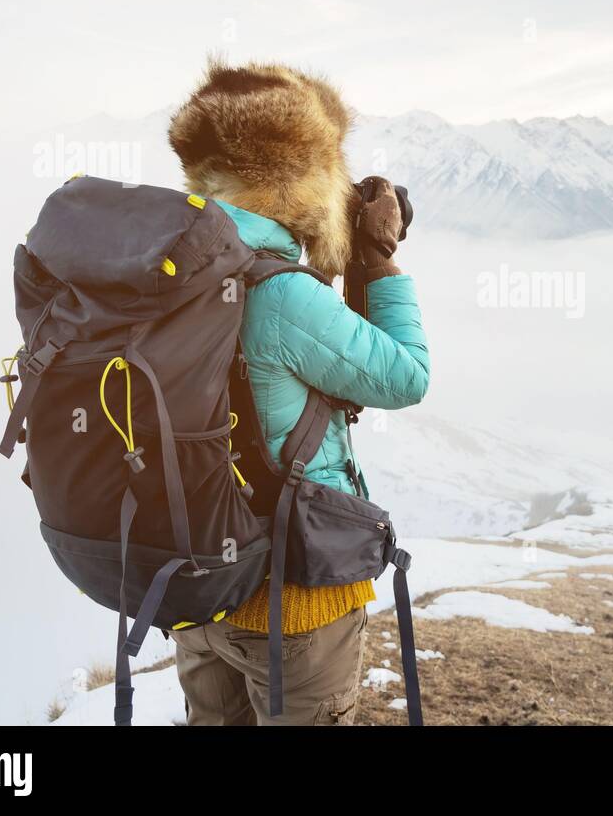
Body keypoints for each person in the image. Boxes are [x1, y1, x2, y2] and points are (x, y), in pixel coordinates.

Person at [164, 60, 429, 725]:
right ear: (302, 180)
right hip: (291, 602)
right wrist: (380, 254)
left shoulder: (170, 267)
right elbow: (405, 374)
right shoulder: (280, 291)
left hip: (196, 590)